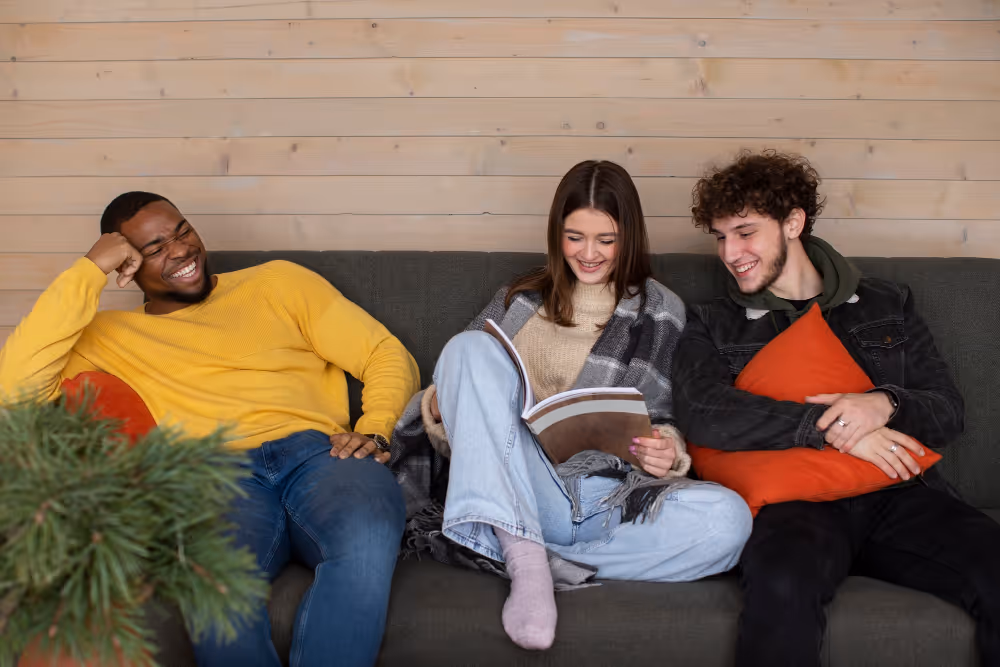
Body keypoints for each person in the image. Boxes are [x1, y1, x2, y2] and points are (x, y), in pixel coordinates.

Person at [0, 192, 420, 667]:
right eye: (154, 248)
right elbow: (15, 392)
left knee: (364, 547)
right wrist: (89, 270)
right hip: (212, 478)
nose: (180, 250)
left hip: (323, 456)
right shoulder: (108, 335)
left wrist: (376, 429)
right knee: (213, 589)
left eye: (181, 231)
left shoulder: (278, 283)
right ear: (128, 267)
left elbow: (383, 353)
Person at [391, 160, 752, 651]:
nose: (589, 254)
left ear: (630, 237)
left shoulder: (661, 309)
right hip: (522, 478)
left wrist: (665, 450)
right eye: (574, 236)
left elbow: (662, 415)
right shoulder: (519, 298)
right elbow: (458, 383)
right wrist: (443, 408)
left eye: (606, 239)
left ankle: (522, 547)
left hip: (605, 498)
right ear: (555, 233)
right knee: (467, 350)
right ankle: (525, 559)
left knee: (729, 520)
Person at [672, 150, 1000, 667]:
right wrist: (831, 429)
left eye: (745, 232)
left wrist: (883, 404)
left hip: (897, 495)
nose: (730, 252)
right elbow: (704, 411)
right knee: (781, 584)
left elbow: (947, 411)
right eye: (721, 236)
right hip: (794, 507)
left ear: (794, 222)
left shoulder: (886, 304)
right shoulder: (713, 323)